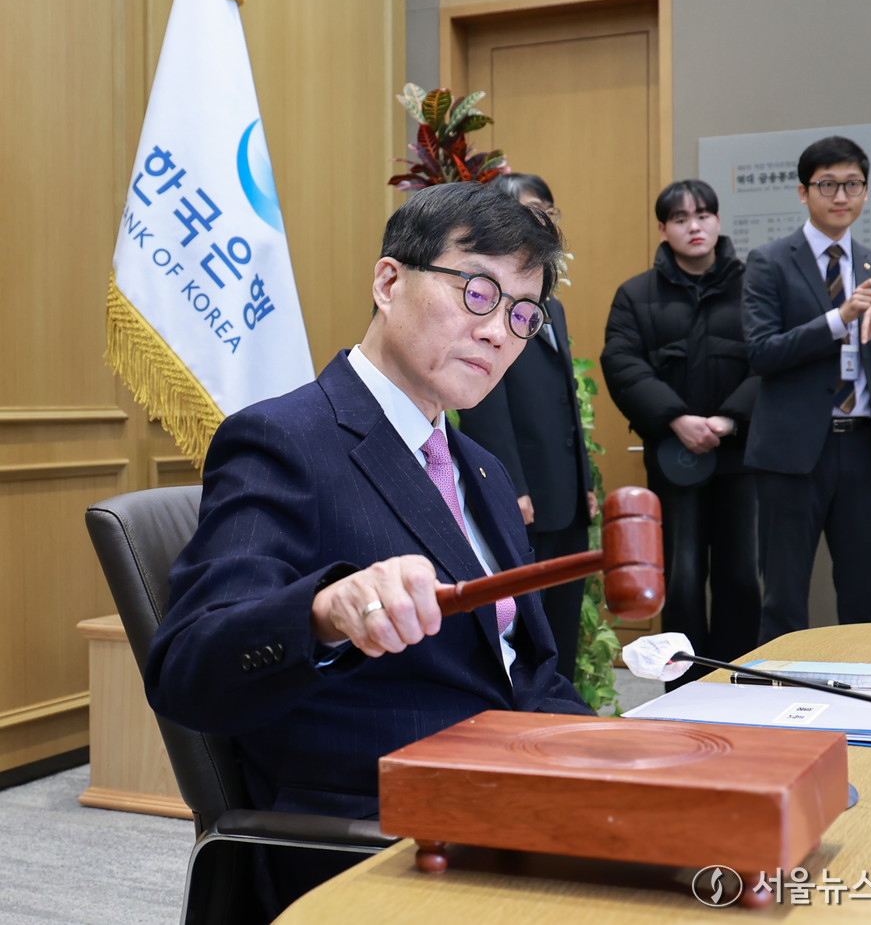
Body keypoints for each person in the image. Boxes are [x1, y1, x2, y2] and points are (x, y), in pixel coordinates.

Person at [144, 182, 591, 903]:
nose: (498, 331)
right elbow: (189, 668)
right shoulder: (284, 440)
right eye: (477, 292)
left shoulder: (483, 467)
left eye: (522, 314)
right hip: (383, 833)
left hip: (516, 792)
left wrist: (620, 762)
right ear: (389, 281)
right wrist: (321, 612)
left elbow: (525, 672)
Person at [742, 136, 871, 642]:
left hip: (865, 448)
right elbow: (761, 353)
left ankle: (862, 707)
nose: (841, 196)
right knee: (784, 596)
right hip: (792, 455)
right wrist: (840, 318)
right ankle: (779, 706)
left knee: (863, 596)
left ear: (865, 191)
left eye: (852, 185)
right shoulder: (769, 261)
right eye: (828, 185)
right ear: (803, 191)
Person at [601, 179, 760, 686]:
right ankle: (686, 689)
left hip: (741, 458)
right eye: (680, 218)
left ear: (717, 221)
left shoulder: (755, 285)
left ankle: (739, 682)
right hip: (674, 460)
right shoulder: (635, 294)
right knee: (683, 577)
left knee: (740, 576)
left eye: (704, 215)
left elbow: (774, 361)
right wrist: (676, 418)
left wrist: (729, 418)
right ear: (663, 229)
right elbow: (622, 363)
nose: (694, 226)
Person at [457, 173, 597, 681]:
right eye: (528, 210)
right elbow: (484, 403)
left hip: (564, 490)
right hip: (523, 488)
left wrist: (585, 483)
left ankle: (561, 710)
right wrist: (508, 485)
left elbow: (566, 403)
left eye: (548, 211)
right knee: (530, 621)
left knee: (565, 609)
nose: (542, 220)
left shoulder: (548, 304)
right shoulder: (489, 301)